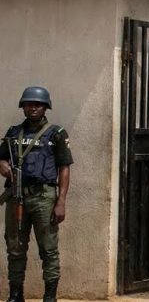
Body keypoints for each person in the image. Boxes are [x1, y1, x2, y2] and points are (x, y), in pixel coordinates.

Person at [0, 87, 72, 302]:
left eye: (38, 104)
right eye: (29, 104)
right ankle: (16, 294)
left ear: (45, 107)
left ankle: (50, 296)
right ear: (22, 107)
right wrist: (3, 165)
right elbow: (1, 157)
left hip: (44, 197)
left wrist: (61, 202)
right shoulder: (13, 133)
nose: (33, 108)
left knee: (48, 249)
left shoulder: (56, 133)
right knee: (15, 247)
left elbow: (64, 168)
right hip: (16, 196)